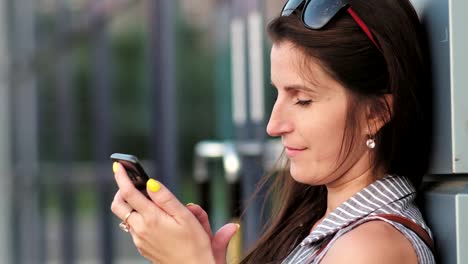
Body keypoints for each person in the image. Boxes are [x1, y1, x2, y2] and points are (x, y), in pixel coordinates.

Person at [111, 0, 435, 263]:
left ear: (376, 113)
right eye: (277, 93)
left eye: (303, 100)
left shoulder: (369, 250)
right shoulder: (319, 223)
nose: (274, 124)